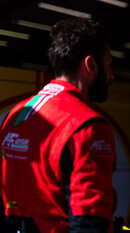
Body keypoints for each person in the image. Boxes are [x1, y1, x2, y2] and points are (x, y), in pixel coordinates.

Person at [0, 18, 116, 233]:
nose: (112, 75)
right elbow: (89, 220)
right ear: (91, 65)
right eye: (109, 64)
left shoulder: (17, 113)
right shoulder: (87, 125)